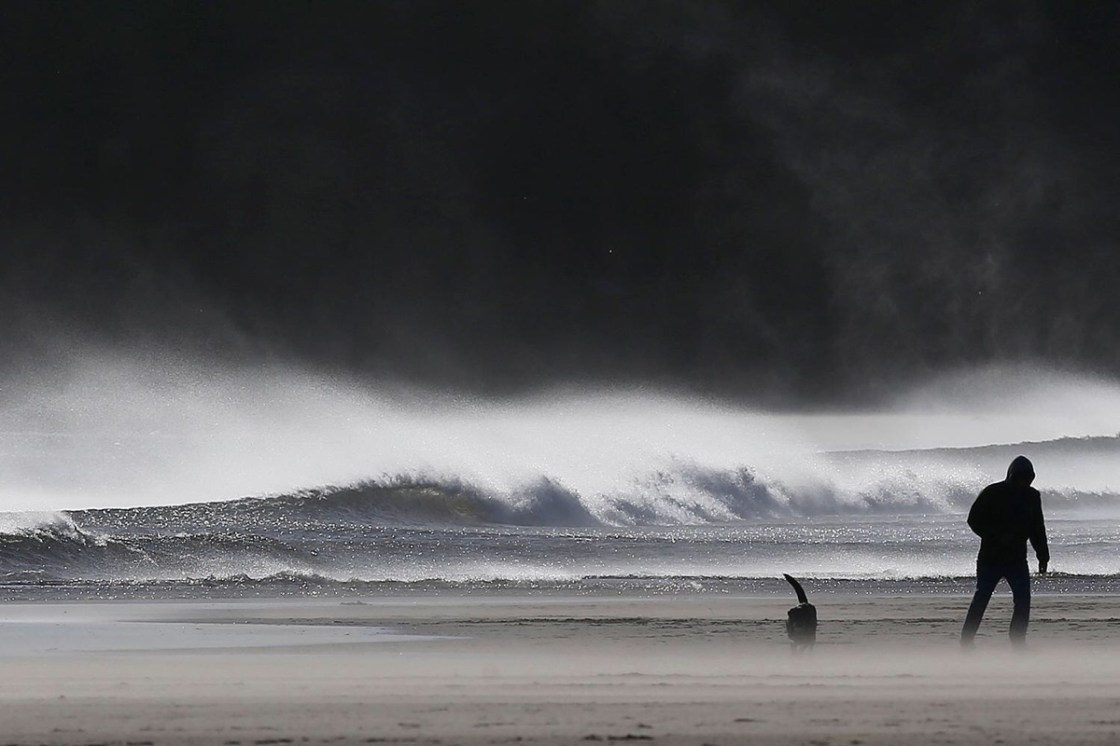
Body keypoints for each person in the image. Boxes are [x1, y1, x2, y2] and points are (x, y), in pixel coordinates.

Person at [960, 455, 1049, 648]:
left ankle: (1018, 641)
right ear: (1011, 476)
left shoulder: (1032, 496)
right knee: (981, 598)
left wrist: (1043, 555)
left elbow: (1037, 527)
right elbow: (973, 520)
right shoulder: (993, 492)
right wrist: (995, 536)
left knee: (1023, 600)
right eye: (1020, 478)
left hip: (1017, 559)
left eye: (1027, 479)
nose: (1023, 483)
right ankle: (966, 640)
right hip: (990, 558)